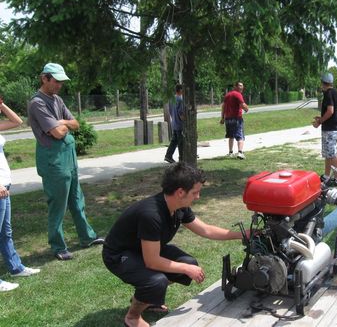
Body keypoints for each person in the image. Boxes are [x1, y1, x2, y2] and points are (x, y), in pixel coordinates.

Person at [102, 162, 247, 327]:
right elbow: (152, 261)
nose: (198, 197)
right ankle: (133, 317)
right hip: (119, 254)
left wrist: (241, 235)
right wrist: (185, 269)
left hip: (144, 250)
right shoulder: (151, 214)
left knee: (188, 263)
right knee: (157, 281)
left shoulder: (179, 207)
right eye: (195, 192)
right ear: (180, 192)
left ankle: (146, 298)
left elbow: (206, 230)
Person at [28, 63, 104, 261]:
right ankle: (58, 246)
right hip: (53, 161)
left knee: (77, 200)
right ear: (45, 78)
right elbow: (57, 132)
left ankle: (87, 237)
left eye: (61, 81)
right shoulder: (37, 103)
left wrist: (61, 122)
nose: (60, 85)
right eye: (56, 81)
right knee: (58, 205)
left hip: (69, 158)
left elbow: (76, 124)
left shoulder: (57, 100)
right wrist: (63, 123)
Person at [0, 99, 40, 291]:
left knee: (5, 232)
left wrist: (1, 105)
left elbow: (17, 121)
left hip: (4, 186)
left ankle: (16, 268)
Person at [312, 73, 337, 186]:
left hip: (330, 129)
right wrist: (321, 118)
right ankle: (326, 176)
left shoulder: (328, 94)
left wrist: (320, 121)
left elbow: (330, 111)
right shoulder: (335, 93)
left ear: (323, 83)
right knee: (328, 154)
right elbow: (331, 113)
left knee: (333, 154)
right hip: (331, 127)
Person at [220, 82, 249, 159]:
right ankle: (240, 152)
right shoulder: (238, 94)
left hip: (228, 119)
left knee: (231, 136)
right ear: (235, 86)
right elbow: (243, 105)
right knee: (240, 136)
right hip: (236, 118)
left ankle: (230, 152)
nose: (241, 87)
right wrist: (246, 108)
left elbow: (223, 107)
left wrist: (222, 118)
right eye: (240, 86)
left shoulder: (227, 95)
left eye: (242, 86)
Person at [164, 84, 184, 164]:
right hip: (180, 124)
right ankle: (182, 158)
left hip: (174, 123)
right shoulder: (180, 99)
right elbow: (181, 113)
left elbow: (170, 111)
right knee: (181, 142)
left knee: (174, 141)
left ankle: (168, 156)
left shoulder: (172, 99)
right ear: (180, 90)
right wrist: (185, 122)